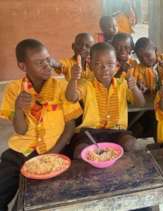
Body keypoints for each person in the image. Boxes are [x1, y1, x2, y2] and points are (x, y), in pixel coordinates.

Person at [0, 39, 82, 210]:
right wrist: (19, 108)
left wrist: (51, 154)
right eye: (39, 63)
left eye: (47, 60)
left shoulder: (61, 87)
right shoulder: (14, 90)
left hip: (55, 149)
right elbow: (20, 130)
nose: (47, 66)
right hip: (21, 151)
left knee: (40, 197)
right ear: (23, 66)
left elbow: (70, 125)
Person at [65, 42, 145, 159]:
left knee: (131, 144)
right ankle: (86, 176)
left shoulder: (123, 84)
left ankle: (124, 173)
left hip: (117, 131)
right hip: (90, 132)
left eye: (110, 64)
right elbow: (71, 97)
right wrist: (73, 79)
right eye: (98, 64)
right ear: (90, 65)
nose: (105, 68)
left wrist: (134, 88)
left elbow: (140, 103)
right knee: (80, 152)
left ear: (117, 65)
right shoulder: (86, 84)